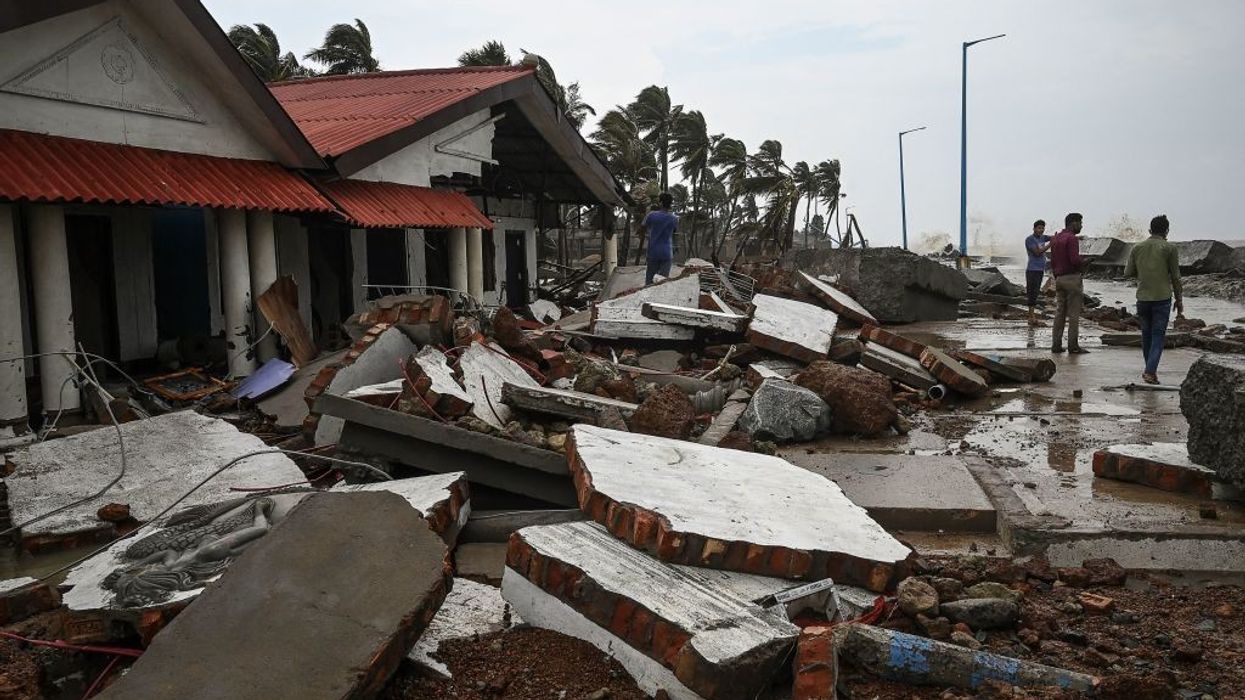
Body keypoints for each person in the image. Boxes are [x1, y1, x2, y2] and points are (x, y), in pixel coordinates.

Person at [1124, 214, 1183, 384]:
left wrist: (1143, 273)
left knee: (1146, 335)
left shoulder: (1137, 248)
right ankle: (1150, 371)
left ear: (1149, 230)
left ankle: (1150, 371)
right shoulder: (1169, 249)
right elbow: (1176, 278)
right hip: (1162, 298)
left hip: (1142, 298)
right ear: (1167, 230)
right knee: (1158, 336)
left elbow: (1127, 273)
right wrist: (1179, 302)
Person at [1049, 212, 1088, 354]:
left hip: (1059, 278)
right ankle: (1073, 346)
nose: (1082, 226)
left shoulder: (1056, 238)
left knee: (1060, 313)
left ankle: (1056, 345)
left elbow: (1052, 261)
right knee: (1073, 314)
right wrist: (1085, 262)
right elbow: (1075, 261)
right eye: (1080, 223)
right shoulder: (1072, 239)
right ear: (1073, 223)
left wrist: (1056, 276)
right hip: (1072, 278)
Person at [638, 192, 678, 284]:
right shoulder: (674, 219)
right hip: (667, 253)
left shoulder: (651, 215)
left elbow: (641, 229)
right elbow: (674, 232)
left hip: (653, 252)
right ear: (670, 204)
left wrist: (644, 235)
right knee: (662, 282)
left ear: (660, 202)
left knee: (649, 281)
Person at [1024, 219, 1051, 326]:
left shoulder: (1043, 237)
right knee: (1031, 292)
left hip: (1040, 269)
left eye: (1043, 228)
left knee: (1036, 292)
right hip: (1032, 269)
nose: (1041, 230)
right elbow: (1037, 252)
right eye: (1039, 228)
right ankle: (1031, 317)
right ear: (1034, 228)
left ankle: (1032, 316)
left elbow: (1056, 237)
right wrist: (1050, 245)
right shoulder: (1030, 239)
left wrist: (1076, 237)